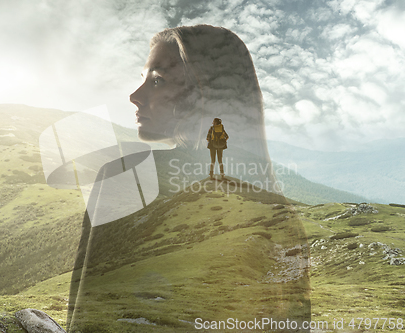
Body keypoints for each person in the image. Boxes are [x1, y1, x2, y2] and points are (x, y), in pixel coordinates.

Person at [66, 25, 310, 332]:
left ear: (203, 95)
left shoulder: (128, 175)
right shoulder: (282, 214)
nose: (134, 96)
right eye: (143, 79)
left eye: (157, 81)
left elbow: (87, 319)